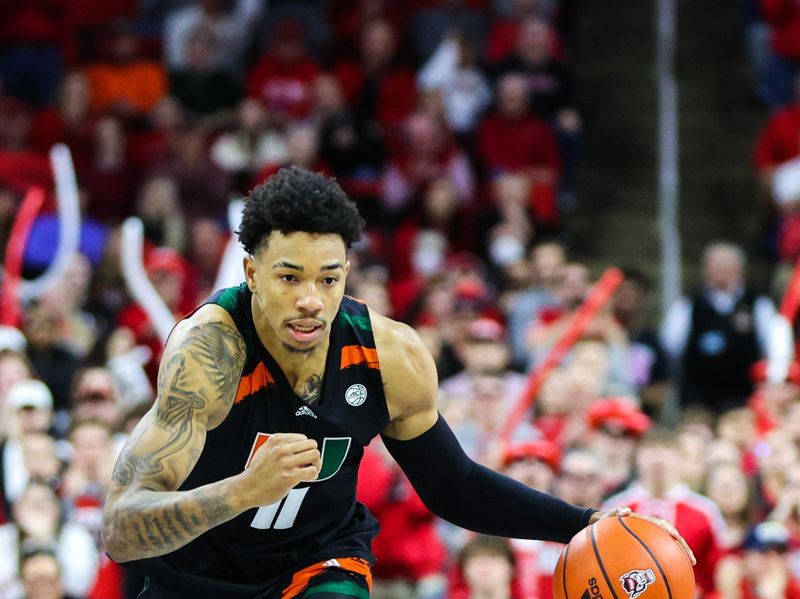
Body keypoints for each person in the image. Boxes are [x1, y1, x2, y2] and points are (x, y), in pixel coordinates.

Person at [102, 167, 693, 598]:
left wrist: (585, 523)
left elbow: (453, 486)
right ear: (252, 273)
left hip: (317, 566)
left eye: (328, 280)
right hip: (195, 580)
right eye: (289, 278)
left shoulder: (391, 354)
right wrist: (241, 490)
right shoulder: (208, 353)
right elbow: (121, 529)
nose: (310, 301)